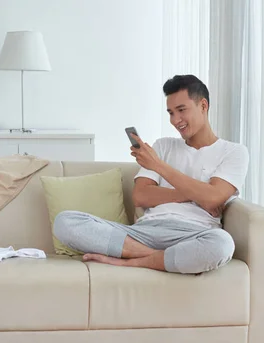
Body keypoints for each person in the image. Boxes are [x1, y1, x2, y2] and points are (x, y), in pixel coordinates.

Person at [54, 74, 249, 274]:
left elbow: (213, 198)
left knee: (223, 244)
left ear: (203, 105)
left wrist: (159, 166)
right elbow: (141, 197)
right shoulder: (163, 146)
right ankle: (155, 257)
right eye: (171, 112)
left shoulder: (233, 152)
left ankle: (134, 259)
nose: (175, 120)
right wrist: (198, 193)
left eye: (181, 110)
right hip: (145, 231)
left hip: (194, 234)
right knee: (65, 221)